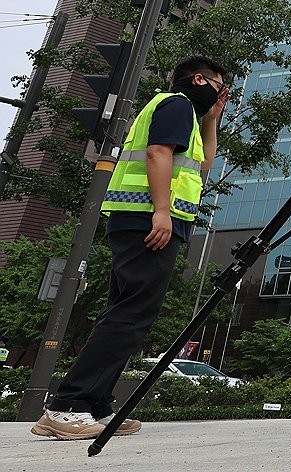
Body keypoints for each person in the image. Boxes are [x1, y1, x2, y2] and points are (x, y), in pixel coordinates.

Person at [32, 56, 228, 440]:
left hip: (147, 220)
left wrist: (213, 120)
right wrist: (161, 211)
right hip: (148, 219)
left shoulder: (189, 113)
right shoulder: (176, 104)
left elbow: (203, 166)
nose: (223, 93)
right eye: (220, 85)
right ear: (200, 80)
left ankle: (95, 405)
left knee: (126, 312)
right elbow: (158, 154)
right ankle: (68, 405)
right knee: (131, 315)